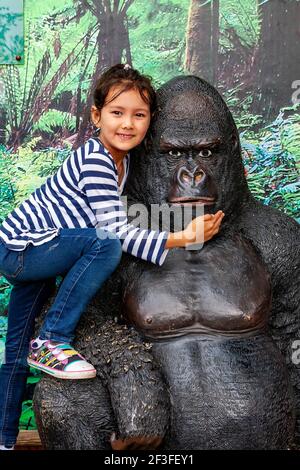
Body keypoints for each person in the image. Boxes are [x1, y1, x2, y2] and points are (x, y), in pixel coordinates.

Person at [0, 63, 224, 450]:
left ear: (150, 121)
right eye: (117, 113)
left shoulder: (124, 161)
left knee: (17, 351)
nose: (127, 124)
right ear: (96, 115)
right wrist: (182, 236)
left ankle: (2, 440)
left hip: (41, 252)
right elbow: (116, 232)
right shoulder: (96, 160)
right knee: (105, 244)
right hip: (22, 249)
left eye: (139, 115)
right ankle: (53, 340)